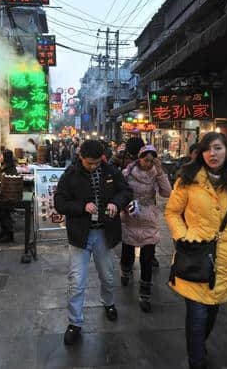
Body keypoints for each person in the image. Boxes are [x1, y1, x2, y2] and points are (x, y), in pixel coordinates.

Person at [165, 132, 227, 369]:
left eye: (217, 148)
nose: (211, 154)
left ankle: (198, 347)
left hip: (225, 260)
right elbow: (172, 212)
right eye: (207, 149)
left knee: (211, 315)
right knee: (197, 317)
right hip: (195, 256)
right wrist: (182, 236)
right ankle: (198, 361)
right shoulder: (187, 180)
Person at [54, 140, 133, 345]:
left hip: (104, 235)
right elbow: (59, 203)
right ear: (81, 157)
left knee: (107, 276)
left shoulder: (110, 171)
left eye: (97, 162)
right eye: (89, 163)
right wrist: (82, 206)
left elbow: (126, 191)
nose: (93, 166)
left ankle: (108, 303)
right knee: (77, 281)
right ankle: (75, 322)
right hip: (80, 236)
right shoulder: (71, 175)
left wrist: (116, 203)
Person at [119, 145, 172, 312]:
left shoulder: (157, 173)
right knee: (127, 250)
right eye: (145, 159)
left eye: (151, 160)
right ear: (139, 157)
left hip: (149, 217)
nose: (148, 163)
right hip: (130, 215)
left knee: (147, 257)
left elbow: (167, 193)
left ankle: (145, 293)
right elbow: (120, 191)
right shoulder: (127, 172)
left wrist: (161, 172)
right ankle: (126, 271)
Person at [0, 149, 17, 243]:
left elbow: (8, 181)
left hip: (8, 194)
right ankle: (4, 231)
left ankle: (9, 235)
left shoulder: (9, 168)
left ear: (6, 157)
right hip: (3, 193)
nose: (0, 157)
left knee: (5, 213)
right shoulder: (6, 165)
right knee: (0, 212)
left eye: (2, 156)